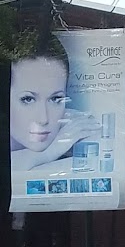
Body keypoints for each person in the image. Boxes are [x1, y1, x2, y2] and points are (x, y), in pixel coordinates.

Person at [9, 39, 101, 172]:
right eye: (28, 99)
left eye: (55, 99)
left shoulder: (73, 124)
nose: (43, 119)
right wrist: (53, 148)